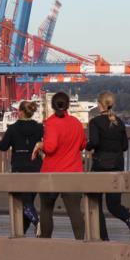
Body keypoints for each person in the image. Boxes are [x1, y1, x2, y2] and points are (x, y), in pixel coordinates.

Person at [86, 92, 130, 243]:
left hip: (100, 166)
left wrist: (87, 146)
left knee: (95, 203)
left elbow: (94, 142)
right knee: (113, 205)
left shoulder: (95, 122)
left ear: (99, 104)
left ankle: (103, 238)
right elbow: (125, 146)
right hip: (117, 166)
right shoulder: (120, 122)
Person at [34, 92, 86, 240]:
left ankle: (45, 242)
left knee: (46, 209)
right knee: (75, 211)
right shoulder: (76, 122)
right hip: (73, 172)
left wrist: (41, 145)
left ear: (52, 106)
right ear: (68, 105)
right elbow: (83, 145)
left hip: (51, 173)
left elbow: (50, 147)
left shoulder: (51, 123)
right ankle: (81, 243)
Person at [0, 100, 43, 235]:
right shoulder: (39, 127)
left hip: (19, 165)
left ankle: (37, 222)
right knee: (29, 200)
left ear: (21, 112)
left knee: (24, 201)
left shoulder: (13, 128)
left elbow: (3, 147)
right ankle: (22, 232)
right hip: (35, 165)